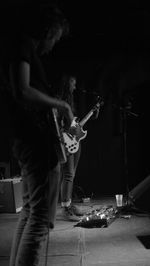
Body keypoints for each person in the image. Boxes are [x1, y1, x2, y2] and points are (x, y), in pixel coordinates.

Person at [4, 4, 74, 266]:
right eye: (56, 38)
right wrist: (62, 105)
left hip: (25, 140)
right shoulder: (22, 46)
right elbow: (22, 91)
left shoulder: (18, 47)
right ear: (49, 30)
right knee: (40, 221)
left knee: (30, 213)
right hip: (34, 142)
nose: (54, 45)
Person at [54, 74, 84, 221]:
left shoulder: (70, 102)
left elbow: (72, 123)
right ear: (66, 85)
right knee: (68, 174)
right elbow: (58, 124)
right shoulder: (60, 102)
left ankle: (69, 204)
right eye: (73, 84)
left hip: (74, 139)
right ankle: (65, 209)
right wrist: (64, 141)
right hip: (66, 141)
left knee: (71, 175)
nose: (75, 87)